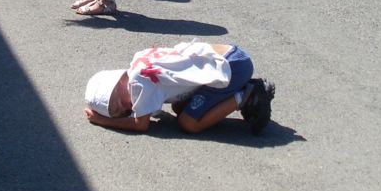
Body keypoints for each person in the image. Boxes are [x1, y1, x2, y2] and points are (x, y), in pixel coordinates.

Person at [83, 41, 276, 135]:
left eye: (118, 103)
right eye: (119, 111)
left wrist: (102, 120)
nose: (127, 106)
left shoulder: (138, 84)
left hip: (231, 68)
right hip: (230, 55)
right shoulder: (137, 63)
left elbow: (140, 125)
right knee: (178, 107)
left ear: (118, 82)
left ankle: (246, 94)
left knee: (188, 123)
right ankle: (241, 94)